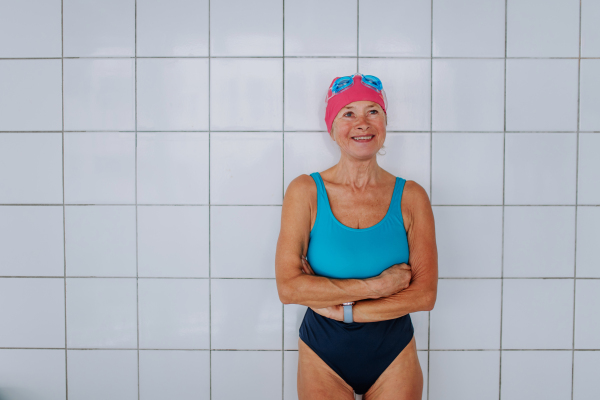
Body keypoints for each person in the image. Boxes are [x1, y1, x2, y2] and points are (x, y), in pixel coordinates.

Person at [275, 73, 438, 400]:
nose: (362, 123)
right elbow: (289, 288)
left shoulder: (411, 197)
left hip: (393, 351)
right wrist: (376, 287)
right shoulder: (305, 191)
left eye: (372, 112)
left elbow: (424, 296)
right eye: (348, 113)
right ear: (332, 128)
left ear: (385, 123)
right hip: (323, 351)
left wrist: (345, 311)